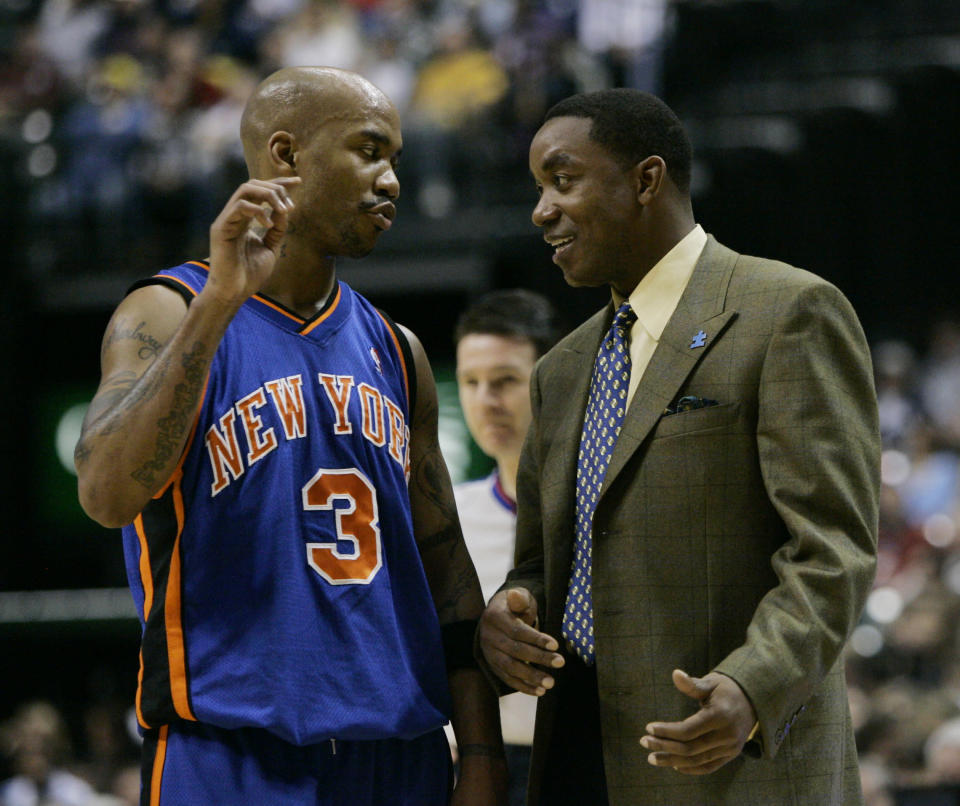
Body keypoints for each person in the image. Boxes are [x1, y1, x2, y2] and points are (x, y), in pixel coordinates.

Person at [74, 66, 506, 805]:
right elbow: (108, 493)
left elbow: (449, 577)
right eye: (369, 150)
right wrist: (220, 304)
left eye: (396, 158)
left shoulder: (397, 350)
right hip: (231, 755)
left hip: (398, 758)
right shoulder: (168, 312)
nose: (391, 179)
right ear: (286, 156)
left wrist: (481, 754)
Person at [477, 87, 880, 804]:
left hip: (734, 762)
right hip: (578, 761)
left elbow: (832, 549)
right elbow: (544, 563)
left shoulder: (788, 311)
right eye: (538, 188)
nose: (541, 211)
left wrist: (754, 685)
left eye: (561, 180)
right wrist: (512, 609)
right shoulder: (560, 370)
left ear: (646, 179)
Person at [450, 289, 565, 805]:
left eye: (506, 381)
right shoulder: (445, 516)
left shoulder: (602, 514)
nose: (485, 400)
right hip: (469, 764)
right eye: (470, 383)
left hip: (573, 761)